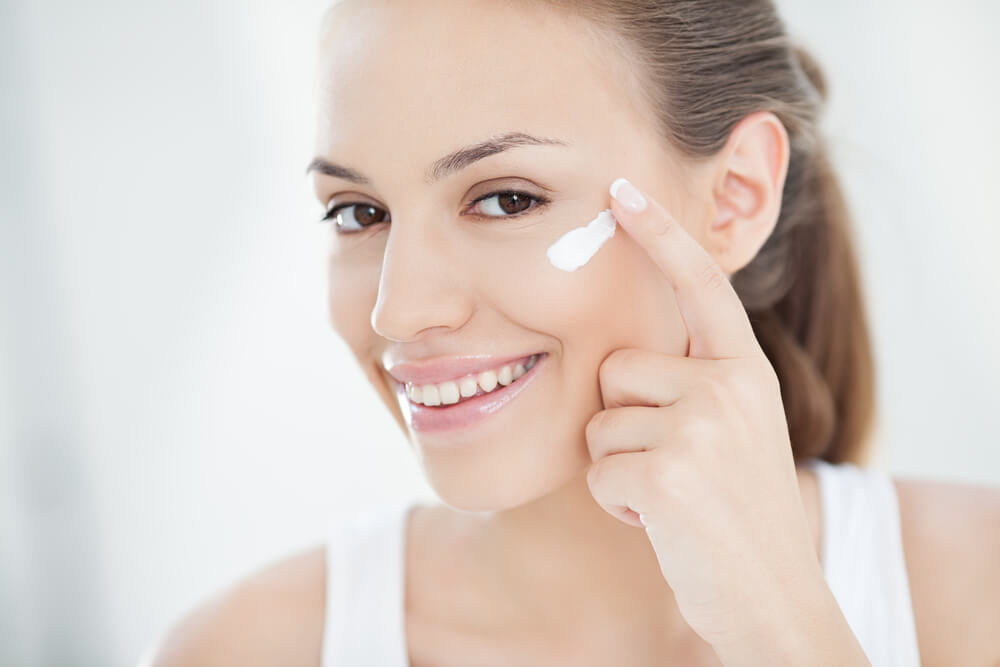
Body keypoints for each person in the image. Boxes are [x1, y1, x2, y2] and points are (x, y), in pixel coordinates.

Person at [144, 0, 1000, 665]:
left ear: (734, 195)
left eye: (507, 198)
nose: (399, 312)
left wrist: (782, 626)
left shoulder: (977, 592)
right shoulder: (242, 650)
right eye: (358, 211)